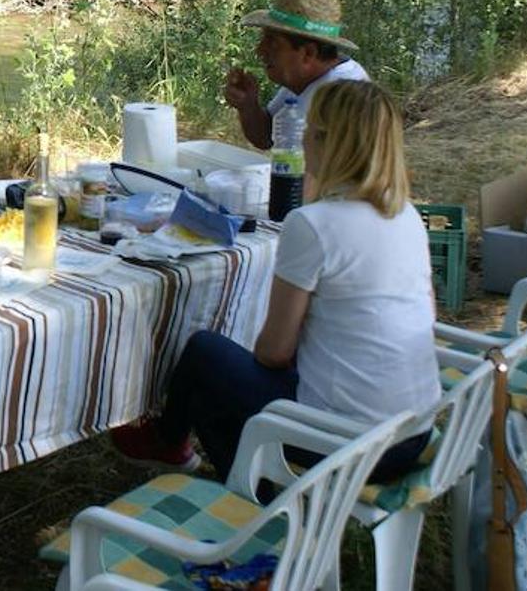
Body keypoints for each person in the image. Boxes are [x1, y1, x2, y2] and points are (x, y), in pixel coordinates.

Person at [114, 80, 441, 483]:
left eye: (310, 130)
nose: (303, 140)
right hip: (414, 430)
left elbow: (274, 352)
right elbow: (425, 314)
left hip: (354, 441)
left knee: (204, 355)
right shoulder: (407, 216)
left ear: (326, 142)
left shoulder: (314, 225)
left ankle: (250, 490)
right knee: (218, 378)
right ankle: (207, 461)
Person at [224, 0, 369, 150]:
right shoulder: (303, 79)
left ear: (308, 53)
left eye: (272, 42)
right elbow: (266, 136)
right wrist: (248, 105)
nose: (259, 50)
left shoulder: (343, 99)